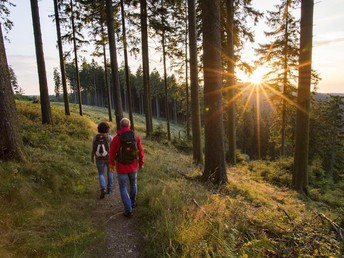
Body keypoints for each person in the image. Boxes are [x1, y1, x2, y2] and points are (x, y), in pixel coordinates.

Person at [109, 118, 144, 218]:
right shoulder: (135, 137)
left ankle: (128, 210)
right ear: (129, 125)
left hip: (121, 167)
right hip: (133, 165)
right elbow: (140, 151)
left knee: (123, 187)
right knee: (133, 184)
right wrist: (141, 163)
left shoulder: (116, 138)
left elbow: (111, 154)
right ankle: (132, 203)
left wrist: (111, 165)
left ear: (120, 126)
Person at [91, 122, 113, 199]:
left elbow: (93, 148)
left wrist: (92, 157)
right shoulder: (110, 137)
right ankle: (109, 189)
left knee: (101, 174)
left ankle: (103, 188)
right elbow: (113, 148)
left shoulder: (95, 137)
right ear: (107, 129)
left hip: (99, 158)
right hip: (109, 158)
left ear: (98, 129)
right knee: (110, 172)